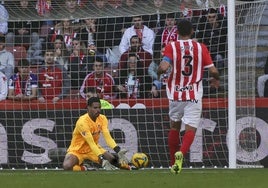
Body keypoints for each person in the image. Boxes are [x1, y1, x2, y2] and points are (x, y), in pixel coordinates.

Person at [157, 19, 220, 174]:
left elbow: (163, 66)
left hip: (176, 94)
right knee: (191, 128)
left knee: (174, 127)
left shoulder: (171, 46)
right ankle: (182, 153)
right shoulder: (201, 47)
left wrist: (159, 72)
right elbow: (213, 71)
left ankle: (173, 164)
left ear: (177, 32)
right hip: (193, 94)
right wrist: (216, 79)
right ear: (192, 31)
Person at [62, 96, 129, 171]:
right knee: (67, 166)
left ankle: (129, 167)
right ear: (88, 108)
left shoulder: (102, 118)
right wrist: (101, 158)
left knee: (113, 160)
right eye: (95, 108)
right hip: (77, 150)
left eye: (99, 107)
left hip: (93, 149)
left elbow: (108, 137)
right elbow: (91, 143)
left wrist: (118, 150)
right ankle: (85, 168)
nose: (98, 110)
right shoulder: (82, 122)